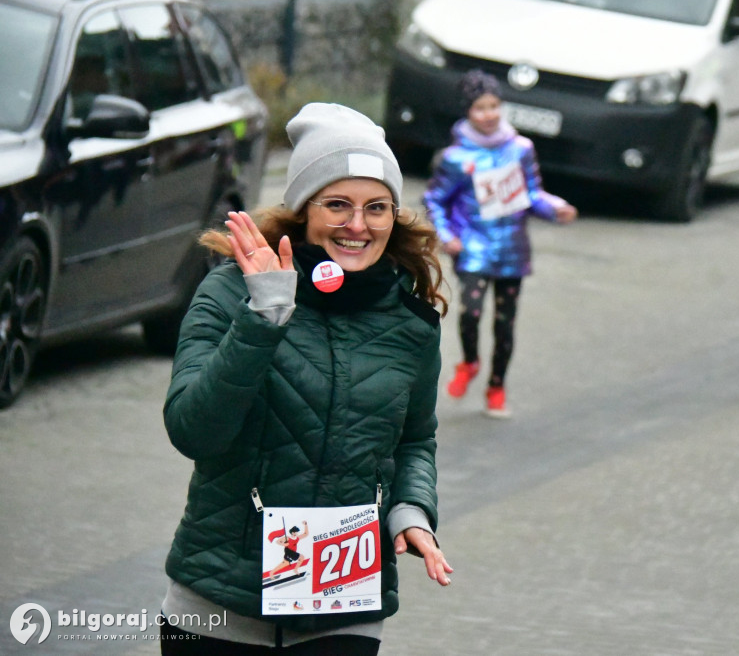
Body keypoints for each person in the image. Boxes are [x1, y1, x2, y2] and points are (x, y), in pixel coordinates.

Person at [161, 103, 453, 654]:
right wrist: (264, 315)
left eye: (376, 207)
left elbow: (415, 438)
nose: (358, 225)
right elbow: (193, 431)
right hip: (219, 600)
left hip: (343, 604)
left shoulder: (411, 324)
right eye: (337, 204)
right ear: (302, 209)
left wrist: (411, 511)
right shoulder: (230, 293)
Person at [423, 69, 577, 418]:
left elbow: (532, 194)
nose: (489, 114)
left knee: (505, 323)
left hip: (512, 248)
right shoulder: (456, 159)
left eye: (495, 106)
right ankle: (470, 362)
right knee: (471, 312)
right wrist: (448, 237)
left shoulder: (521, 149)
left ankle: (497, 386)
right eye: (480, 108)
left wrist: (556, 209)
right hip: (473, 248)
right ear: (467, 112)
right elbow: (435, 200)